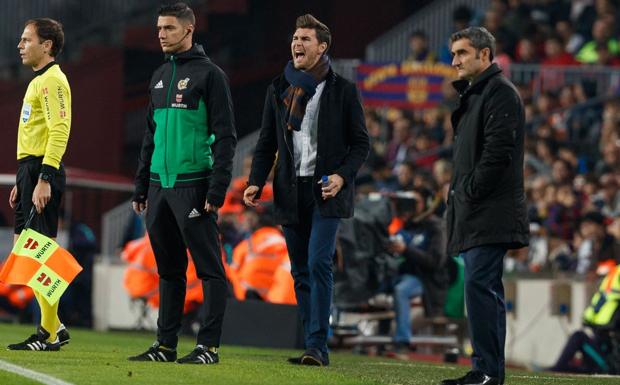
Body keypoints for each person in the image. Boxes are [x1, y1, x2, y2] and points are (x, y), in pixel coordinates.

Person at [243, 14, 369, 366]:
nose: (297, 44)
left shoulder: (342, 90)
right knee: (300, 269)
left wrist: (343, 176)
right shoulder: (279, 88)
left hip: (326, 191)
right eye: (295, 38)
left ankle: (317, 346)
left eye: (305, 39)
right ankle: (311, 343)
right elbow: (267, 141)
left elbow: (360, 144)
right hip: (289, 189)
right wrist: (256, 180)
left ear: (322, 47)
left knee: (318, 263)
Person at [129, 2, 236, 364]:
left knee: (209, 270)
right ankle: (165, 345)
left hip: (195, 185)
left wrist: (217, 188)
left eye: (169, 28)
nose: (161, 34)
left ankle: (209, 347)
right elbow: (150, 136)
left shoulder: (211, 76)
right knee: (169, 271)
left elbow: (226, 137)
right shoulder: (158, 75)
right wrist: (141, 185)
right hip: (159, 188)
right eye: (159, 28)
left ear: (189, 30)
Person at [441, 27, 529, 385]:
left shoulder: (500, 94)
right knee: (479, 285)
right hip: (477, 209)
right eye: (454, 54)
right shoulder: (478, 95)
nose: (455, 60)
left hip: (489, 210)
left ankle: (489, 371)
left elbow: (497, 154)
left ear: (485, 55)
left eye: (462, 53)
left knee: (481, 285)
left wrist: (470, 192)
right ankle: (485, 368)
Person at [7, 18, 71, 351]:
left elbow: (60, 130)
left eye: (26, 39)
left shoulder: (53, 81)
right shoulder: (40, 81)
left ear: (46, 45)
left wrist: (44, 177)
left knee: (38, 255)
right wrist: (25, 177)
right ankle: (54, 326)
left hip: (42, 171)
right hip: (31, 169)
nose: (20, 45)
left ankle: (49, 330)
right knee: (28, 252)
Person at [387, 189, 448, 354]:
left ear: (426, 204)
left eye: (416, 202)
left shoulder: (435, 226)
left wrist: (406, 249)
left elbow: (435, 261)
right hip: (401, 274)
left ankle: (402, 341)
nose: (411, 206)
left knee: (401, 290)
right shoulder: (406, 224)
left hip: (426, 279)